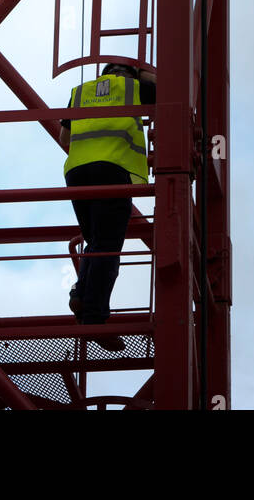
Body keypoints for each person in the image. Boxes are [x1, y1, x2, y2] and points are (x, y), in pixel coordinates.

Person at [59, 61, 156, 348]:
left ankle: (81, 293)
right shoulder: (134, 87)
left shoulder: (81, 92)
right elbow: (168, 92)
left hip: (76, 172)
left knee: (96, 241)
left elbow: (65, 137)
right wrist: (145, 73)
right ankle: (94, 318)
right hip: (112, 169)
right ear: (131, 74)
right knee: (108, 246)